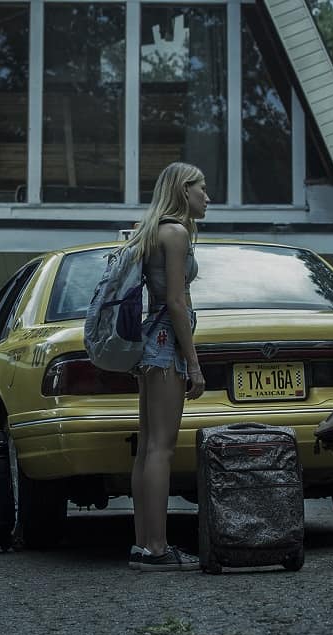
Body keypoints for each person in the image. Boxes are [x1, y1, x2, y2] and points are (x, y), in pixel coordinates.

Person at [125, 162, 209, 572]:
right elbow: (176, 301)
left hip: (150, 345)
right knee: (161, 447)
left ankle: (145, 545)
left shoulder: (154, 230)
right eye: (202, 189)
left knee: (147, 447)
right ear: (183, 189)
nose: (207, 197)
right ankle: (156, 548)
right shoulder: (174, 233)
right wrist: (194, 363)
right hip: (164, 345)